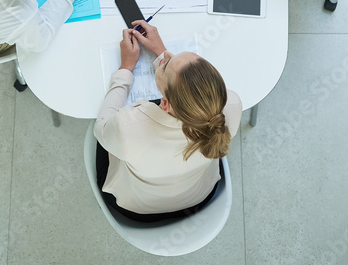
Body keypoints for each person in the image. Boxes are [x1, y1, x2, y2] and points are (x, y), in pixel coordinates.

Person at [94, 21, 241, 222]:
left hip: (138, 208)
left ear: (165, 105)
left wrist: (126, 68)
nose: (167, 56)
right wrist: (161, 51)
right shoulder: (230, 106)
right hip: (199, 197)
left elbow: (101, 125)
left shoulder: (127, 127)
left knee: (103, 135)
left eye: (167, 62)